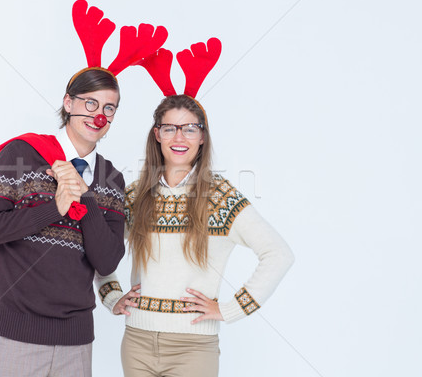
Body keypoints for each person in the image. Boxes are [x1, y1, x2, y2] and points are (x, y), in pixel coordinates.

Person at [95, 94, 295, 377]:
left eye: (190, 128)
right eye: (170, 128)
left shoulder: (219, 196)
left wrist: (230, 310)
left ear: (202, 136)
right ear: (157, 135)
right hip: (136, 342)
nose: (180, 137)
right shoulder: (136, 195)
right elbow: (101, 250)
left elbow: (278, 254)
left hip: (193, 347)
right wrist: (112, 297)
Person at [0, 68, 126, 377]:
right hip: (16, 338)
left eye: (109, 108)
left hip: (77, 343)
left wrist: (87, 200)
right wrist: (55, 208)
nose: (99, 116)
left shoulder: (112, 180)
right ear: (68, 103)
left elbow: (106, 261)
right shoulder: (22, 155)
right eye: (90, 104)